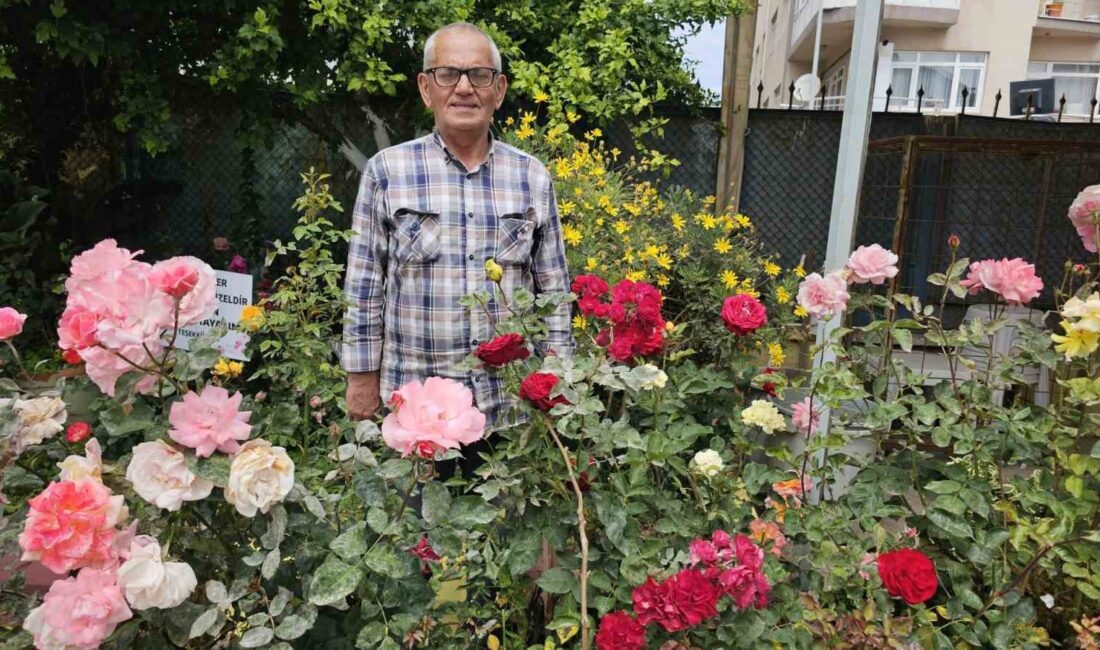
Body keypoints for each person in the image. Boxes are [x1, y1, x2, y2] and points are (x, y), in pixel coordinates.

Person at [342, 22, 573, 433]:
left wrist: (559, 377)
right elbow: (363, 284)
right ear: (426, 87)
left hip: (509, 407)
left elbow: (553, 289)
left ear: (498, 90)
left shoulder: (531, 176)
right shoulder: (387, 172)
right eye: (447, 74)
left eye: (479, 75)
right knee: (414, 502)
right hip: (415, 411)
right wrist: (361, 376)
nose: (464, 88)